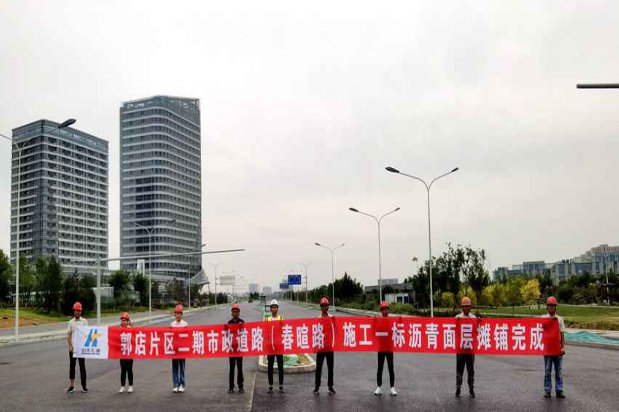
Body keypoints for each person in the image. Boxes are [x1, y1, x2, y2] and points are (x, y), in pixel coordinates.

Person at [542, 296, 566, 399]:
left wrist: (562, 347)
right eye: (549, 305)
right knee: (547, 371)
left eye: (552, 305)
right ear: (547, 307)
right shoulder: (543, 318)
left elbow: (562, 334)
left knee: (558, 371)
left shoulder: (559, 319)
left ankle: (559, 390)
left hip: (557, 350)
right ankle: (547, 390)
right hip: (547, 349)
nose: (551, 307)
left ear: (555, 307)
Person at [374, 301, 397, 396]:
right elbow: (373, 331)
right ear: (381, 311)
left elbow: (398, 330)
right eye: (383, 309)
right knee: (380, 367)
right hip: (381, 347)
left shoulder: (392, 321)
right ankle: (379, 387)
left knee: (391, 368)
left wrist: (400, 321)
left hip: (389, 347)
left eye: (386, 309)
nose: (384, 311)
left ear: (388, 310)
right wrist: (373, 322)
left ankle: (392, 388)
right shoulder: (378, 320)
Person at [314, 297, 336, 395]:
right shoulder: (318, 319)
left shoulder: (332, 318)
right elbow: (315, 332)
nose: (324, 307)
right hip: (320, 347)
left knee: (330, 368)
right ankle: (317, 387)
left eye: (326, 306)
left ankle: (330, 386)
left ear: (328, 307)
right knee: (319, 368)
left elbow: (336, 330)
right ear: (320, 307)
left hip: (329, 347)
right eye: (322, 306)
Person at [455, 297, 476, 399]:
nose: (466, 308)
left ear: (470, 307)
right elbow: (452, 330)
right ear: (462, 307)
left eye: (468, 306)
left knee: (471, 371)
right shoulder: (457, 317)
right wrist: (456, 322)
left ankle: (471, 389)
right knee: (459, 370)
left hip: (470, 349)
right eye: (464, 306)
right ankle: (458, 388)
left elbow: (477, 331)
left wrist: (479, 322)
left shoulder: (473, 318)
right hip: (460, 349)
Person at [67, 302, 88, 394]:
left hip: (81, 349)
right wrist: (70, 346)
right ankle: (72, 386)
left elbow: (87, 333)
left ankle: (84, 386)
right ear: (74, 311)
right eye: (76, 310)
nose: (77, 312)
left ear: (81, 311)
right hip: (73, 349)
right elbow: (69, 334)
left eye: (79, 310)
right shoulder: (71, 322)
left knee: (82, 367)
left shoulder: (84, 321)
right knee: (72, 367)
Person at [266, 299, 284, 394]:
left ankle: (281, 385)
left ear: (277, 308)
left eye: (275, 307)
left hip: (279, 346)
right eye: (272, 307)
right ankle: (270, 386)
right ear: (270, 309)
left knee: (280, 366)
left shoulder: (281, 318)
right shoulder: (267, 319)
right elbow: (265, 332)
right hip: (270, 346)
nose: (274, 309)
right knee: (270, 366)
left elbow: (284, 330)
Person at [171, 305, 188, 393]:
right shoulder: (172, 324)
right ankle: (175, 385)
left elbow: (188, 336)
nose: (178, 315)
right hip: (174, 349)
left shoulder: (185, 324)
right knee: (175, 367)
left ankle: (182, 384)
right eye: (176, 313)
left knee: (182, 367)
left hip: (182, 349)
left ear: (182, 314)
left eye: (179, 313)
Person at [228, 303, 245, 393]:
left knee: (239, 368)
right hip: (232, 349)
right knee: (232, 369)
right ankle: (231, 387)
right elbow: (226, 335)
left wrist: (242, 326)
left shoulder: (242, 322)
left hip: (239, 349)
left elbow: (245, 334)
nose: (235, 313)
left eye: (236, 311)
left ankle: (240, 386)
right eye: (234, 311)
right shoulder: (229, 323)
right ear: (231, 313)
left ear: (239, 313)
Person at [118, 312, 134, 394]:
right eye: (122, 320)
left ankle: (130, 385)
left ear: (128, 321)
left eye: (125, 320)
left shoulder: (130, 329)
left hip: (129, 352)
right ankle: (122, 386)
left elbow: (134, 338)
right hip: (122, 352)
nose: (123, 322)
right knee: (123, 369)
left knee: (129, 369)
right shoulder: (118, 329)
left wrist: (132, 326)